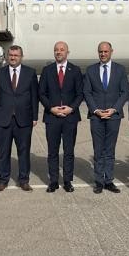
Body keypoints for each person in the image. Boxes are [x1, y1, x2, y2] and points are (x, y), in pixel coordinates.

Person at [0, 45, 38, 192]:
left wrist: (35, 116)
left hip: (24, 119)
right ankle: (2, 180)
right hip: (3, 119)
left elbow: (34, 96)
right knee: (3, 152)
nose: (13, 57)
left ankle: (24, 180)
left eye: (16, 55)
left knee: (23, 152)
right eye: (11, 55)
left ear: (21, 57)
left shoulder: (30, 73)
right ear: (7, 56)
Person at [83, 41, 128, 194]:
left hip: (113, 116)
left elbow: (124, 92)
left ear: (111, 52)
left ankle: (109, 180)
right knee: (98, 150)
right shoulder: (90, 70)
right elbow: (87, 92)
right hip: (96, 117)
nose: (103, 54)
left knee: (109, 150)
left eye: (105, 51)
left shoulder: (120, 69)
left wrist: (114, 109)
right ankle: (99, 181)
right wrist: (95, 110)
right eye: (100, 52)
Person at [39, 41, 84, 193]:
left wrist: (71, 108)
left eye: (62, 50)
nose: (58, 52)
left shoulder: (75, 70)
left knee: (68, 151)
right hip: (52, 117)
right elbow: (41, 93)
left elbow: (80, 94)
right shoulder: (47, 70)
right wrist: (51, 108)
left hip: (70, 117)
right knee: (52, 151)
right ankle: (53, 181)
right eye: (56, 50)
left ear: (67, 52)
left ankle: (67, 181)